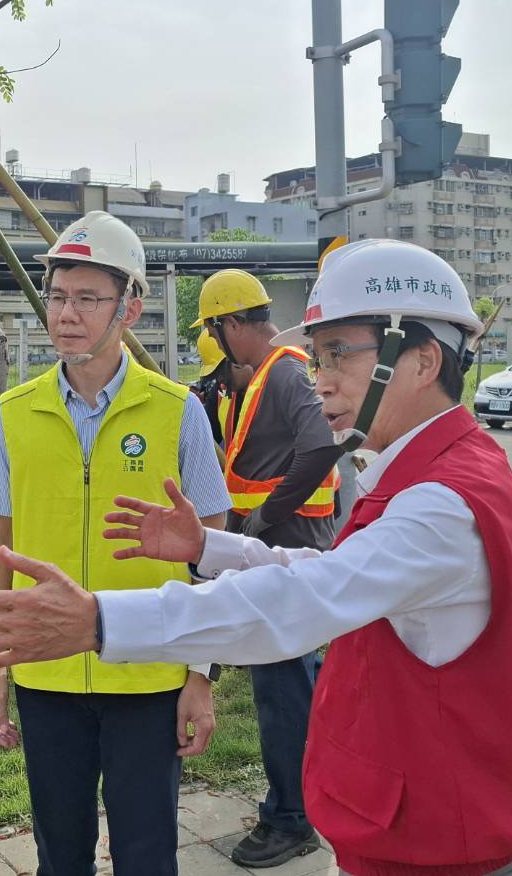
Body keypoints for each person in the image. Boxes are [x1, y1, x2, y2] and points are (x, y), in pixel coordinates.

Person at [0, 239, 512, 876]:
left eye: (338, 354)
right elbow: (325, 577)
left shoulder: (437, 504)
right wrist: (210, 548)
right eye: (317, 356)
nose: (319, 378)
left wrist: (98, 622)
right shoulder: (450, 469)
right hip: (437, 818)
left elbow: (298, 607)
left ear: (421, 361)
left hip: (439, 837)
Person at [0, 210, 231, 876]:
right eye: (58, 296)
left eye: (88, 298)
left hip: (148, 672)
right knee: (59, 854)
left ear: (131, 308)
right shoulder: (14, 412)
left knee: (147, 854)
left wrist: (200, 676)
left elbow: (214, 549)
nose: (66, 313)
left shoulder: (178, 412)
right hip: (45, 670)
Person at [192, 269, 342, 866]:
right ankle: (300, 805)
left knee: (283, 693)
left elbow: (322, 446)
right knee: (288, 687)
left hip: (286, 547)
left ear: (229, 325)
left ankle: (292, 818)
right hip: (278, 550)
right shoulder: (278, 370)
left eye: (214, 331)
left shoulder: (283, 370)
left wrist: (258, 522)